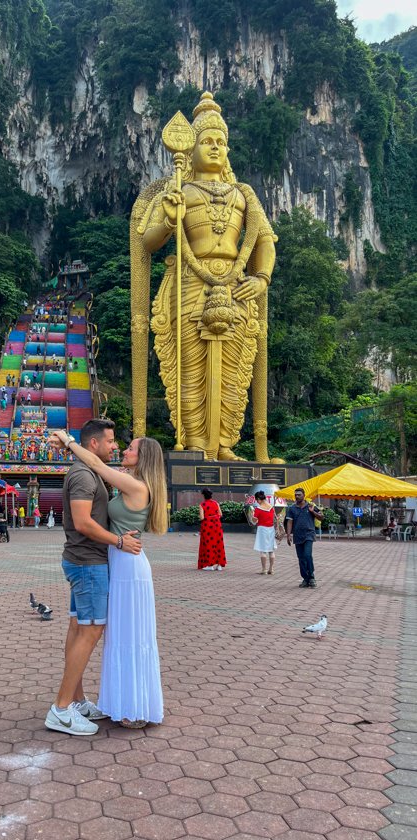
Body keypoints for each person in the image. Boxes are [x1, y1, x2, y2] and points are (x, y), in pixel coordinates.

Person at [130, 91, 278, 461]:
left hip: (236, 285)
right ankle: (195, 441)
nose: (215, 147)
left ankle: (226, 443)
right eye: (207, 141)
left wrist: (261, 278)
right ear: (191, 147)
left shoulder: (243, 194)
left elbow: (264, 241)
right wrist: (167, 218)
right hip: (189, 284)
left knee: (235, 368)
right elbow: (147, 241)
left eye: (221, 142)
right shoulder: (177, 189)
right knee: (188, 365)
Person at [49, 427, 167, 730]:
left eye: (129, 448)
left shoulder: (136, 486)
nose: (122, 449)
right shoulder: (128, 480)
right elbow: (94, 462)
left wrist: (69, 441)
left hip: (127, 564)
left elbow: (98, 464)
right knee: (100, 631)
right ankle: (84, 701)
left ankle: (132, 704)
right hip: (115, 558)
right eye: (117, 443)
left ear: (143, 458)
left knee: (128, 635)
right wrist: (70, 449)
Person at [286, 488, 324, 588]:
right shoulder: (292, 508)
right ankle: (305, 579)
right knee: (301, 558)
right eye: (295, 495)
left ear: (304, 495)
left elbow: (321, 517)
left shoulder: (311, 506)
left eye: (299, 494)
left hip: (309, 534)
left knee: (307, 555)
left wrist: (313, 512)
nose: (297, 496)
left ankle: (311, 577)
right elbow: (289, 522)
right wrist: (288, 535)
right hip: (297, 535)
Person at [197, 489, 226, 570]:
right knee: (218, 543)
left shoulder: (202, 505)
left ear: (203, 495)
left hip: (207, 527)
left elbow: (202, 517)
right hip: (217, 526)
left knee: (208, 544)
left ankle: (210, 565)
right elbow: (220, 514)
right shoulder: (216, 503)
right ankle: (219, 565)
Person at [251, 491, 276, 575]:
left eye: (256, 500)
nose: (257, 501)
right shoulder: (271, 507)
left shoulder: (258, 509)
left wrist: (252, 515)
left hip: (262, 529)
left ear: (259, 499)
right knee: (271, 551)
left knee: (263, 551)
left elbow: (254, 521)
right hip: (271, 529)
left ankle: (264, 569)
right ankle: (271, 569)